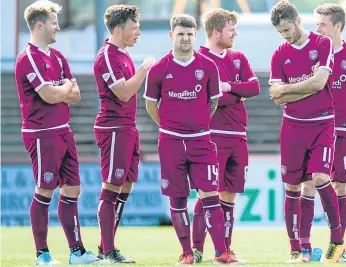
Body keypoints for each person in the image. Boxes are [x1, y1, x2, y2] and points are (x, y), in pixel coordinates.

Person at [144, 13, 241, 265]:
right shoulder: (158, 69)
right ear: (171, 36)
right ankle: (187, 253)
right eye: (180, 34)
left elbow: (214, 101)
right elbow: (151, 105)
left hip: (201, 140)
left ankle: (221, 252)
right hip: (170, 142)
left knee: (210, 194)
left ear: (195, 35)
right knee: (177, 199)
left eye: (189, 34)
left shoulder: (208, 66)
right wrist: (169, 125)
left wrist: (197, 123)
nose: (185, 39)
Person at [14, 0, 104, 265]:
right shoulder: (27, 57)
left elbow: (76, 95)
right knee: (45, 190)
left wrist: (62, 90)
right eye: (54, 22)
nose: (58, 27)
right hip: (41, 133)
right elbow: (50, 95)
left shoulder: (58, 56)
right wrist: (63, 88)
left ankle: (76, 252)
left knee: (73, 188)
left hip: (64, 131)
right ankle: (42, 254)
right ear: (39, 25)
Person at [268, 0, 344, 263]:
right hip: (291, 125)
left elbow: (320, 82)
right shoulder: (279, 53)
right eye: (281, 33)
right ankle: (298, 248)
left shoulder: (322, 44)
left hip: (322, 121)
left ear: (298, 21)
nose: (285, 36)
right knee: (293, 185)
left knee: (321, 177)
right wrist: (307, 85)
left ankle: (337, 242)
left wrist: (290, 88)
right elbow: (276, 97)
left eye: (288, 29)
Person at [298, 3, 346, 263]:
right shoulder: (310, 53)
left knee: (340, 186)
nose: (316, 28)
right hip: (314, 128)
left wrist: (343, 119)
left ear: (338, 26)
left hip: (342, 130)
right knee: (307, 183)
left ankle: (337, 247)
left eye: (322, 24)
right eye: (316, 23)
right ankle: (303, 248)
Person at [191, 8, 260, 263]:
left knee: (229, 195)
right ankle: (196, 249)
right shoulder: (198, 59)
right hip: (212, 136)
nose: (235, 34)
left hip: (238, 135)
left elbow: (254, 88)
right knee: (207, 194)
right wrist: (236, 96)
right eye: (231, 29)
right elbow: (207, 100)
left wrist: (229, 87)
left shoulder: (238, 57)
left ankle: (224, 251)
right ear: (216, 32)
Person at [93, 4, 155, 263]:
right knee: (112, 186)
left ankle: (104, 246)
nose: (138, 31)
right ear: (118, 28)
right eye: (134, 26)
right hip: (113, 127)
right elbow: (124, 92)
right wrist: (145, 68)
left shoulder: (123, 54)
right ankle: (108, 251)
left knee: (125, 185)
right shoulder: (107, 55)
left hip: (127, 127)